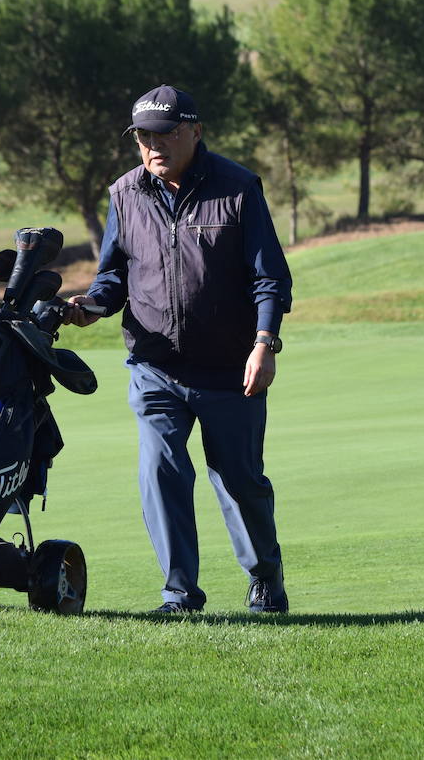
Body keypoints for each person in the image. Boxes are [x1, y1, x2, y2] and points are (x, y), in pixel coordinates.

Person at [64, 84, 293, 614]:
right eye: (143, 136)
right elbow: (114, 274)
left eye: (164, 133)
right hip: (155, 365)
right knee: (161, 473)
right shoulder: (125, 193)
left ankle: (265, 578)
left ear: (195, 131)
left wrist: (265, 344)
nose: (153, 146)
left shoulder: (237, 189)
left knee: (239, 482)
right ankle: (180, 593)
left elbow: (269, 278)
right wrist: (93, 305)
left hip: (229, 367)